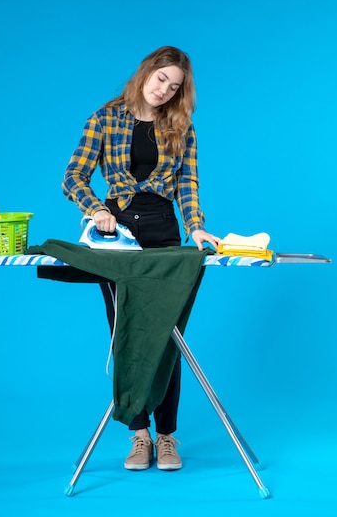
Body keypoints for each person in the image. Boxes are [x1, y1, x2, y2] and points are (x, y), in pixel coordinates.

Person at [62, 46, 221, 471]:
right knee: (127, 333)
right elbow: (73, 175)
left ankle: (167, 437)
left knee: (167, 333)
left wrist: (197, 226)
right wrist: (95, 208)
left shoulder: (181, 124)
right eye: (161, 80)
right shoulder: (105, 118)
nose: (165, 91)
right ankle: (139, 435)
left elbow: (187, 182)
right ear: (145, 73)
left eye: (174, 87)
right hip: (117, 234)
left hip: (164, 229)